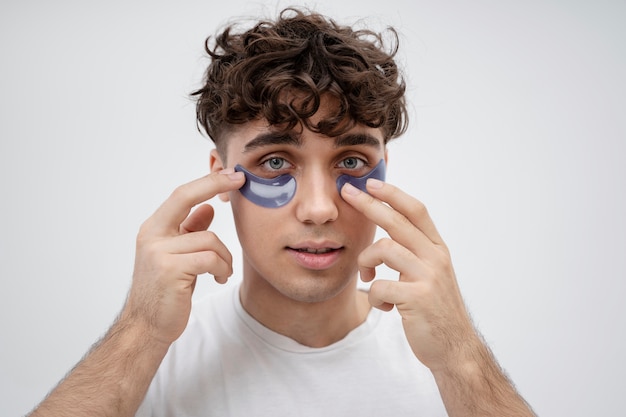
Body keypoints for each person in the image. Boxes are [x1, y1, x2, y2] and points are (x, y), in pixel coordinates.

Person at [28, 7, 535, 417]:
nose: (318, 209)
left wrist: (462, 359)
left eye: (352, 161)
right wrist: (139, 333)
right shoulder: (153, 360)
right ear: (219, 175)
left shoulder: (444, 363)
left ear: (384, 170)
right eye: (275, 162)